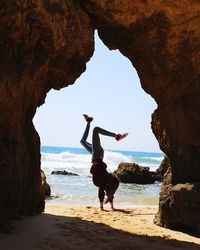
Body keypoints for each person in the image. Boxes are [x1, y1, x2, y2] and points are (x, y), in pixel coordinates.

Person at [80, 114, 128, 210]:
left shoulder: (103, 181)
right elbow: (102, 190)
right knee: (93, 132)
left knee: (91, 134)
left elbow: (102, 190)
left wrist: (102, 207)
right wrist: (109, 207)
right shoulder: (104, 181)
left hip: (97, 155)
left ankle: (116, 136)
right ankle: (89, 122)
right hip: (97, 154)